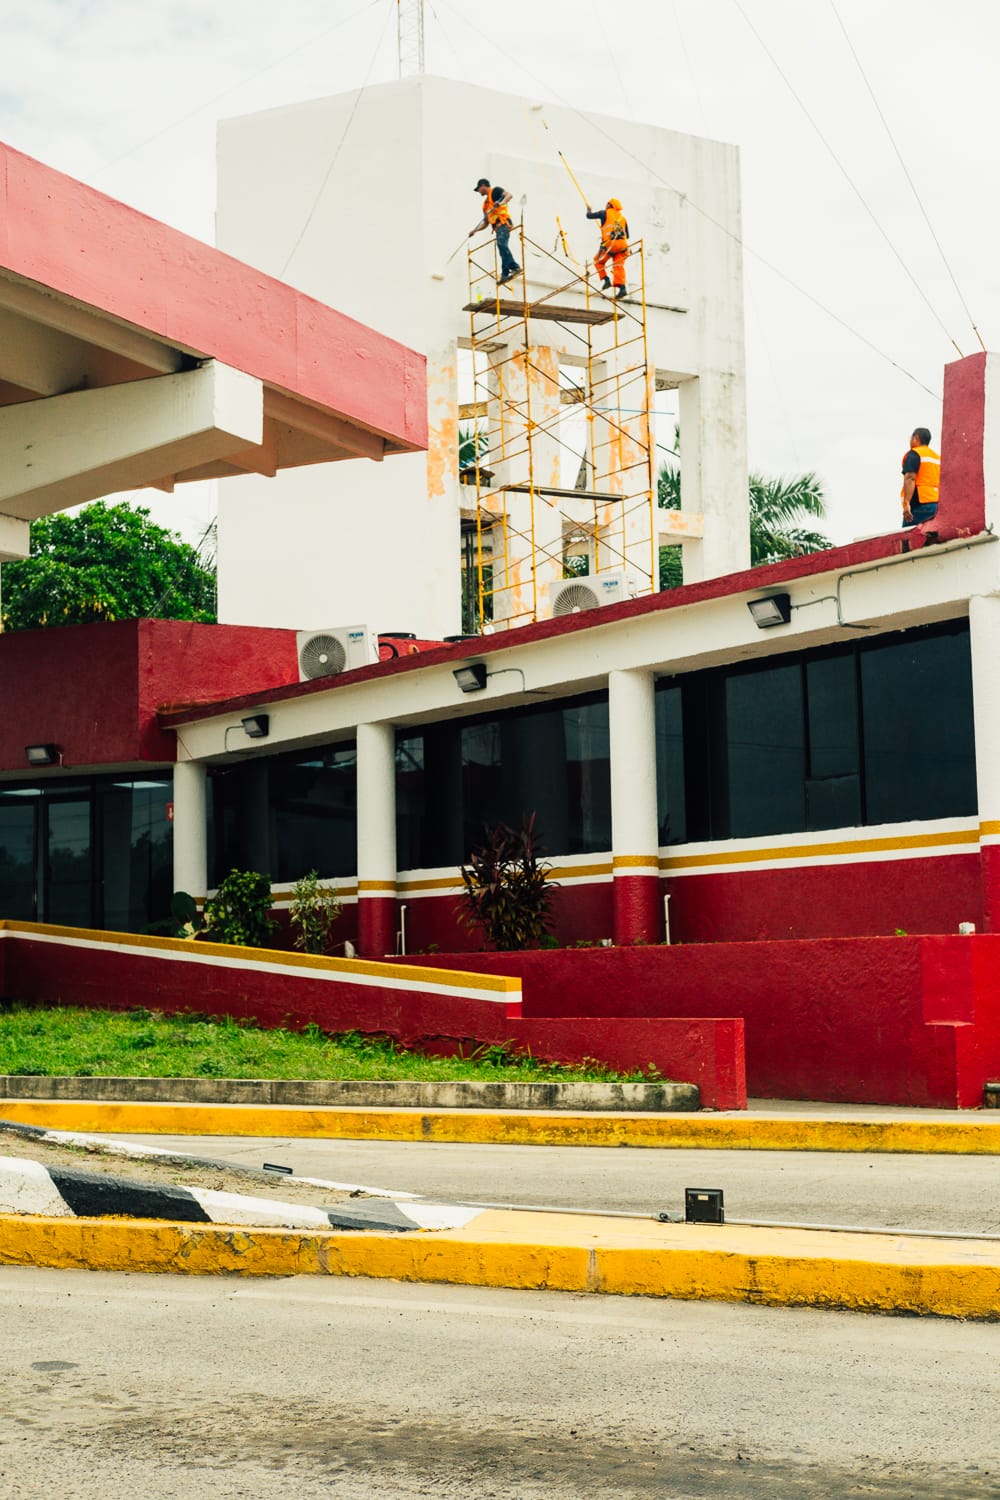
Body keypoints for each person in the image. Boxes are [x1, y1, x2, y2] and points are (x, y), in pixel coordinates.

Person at [469, 178, 520, 285]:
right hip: (497, 228)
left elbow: (509, 195)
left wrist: (501, 203)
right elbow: (485, 223)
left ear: (483, 186)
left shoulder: (495, 191)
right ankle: (505, 273)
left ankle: (514, 267)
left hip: (504, 223)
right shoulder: (485, 205)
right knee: (502, 248)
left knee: (501, 245)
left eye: (479, 189)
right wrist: (475, 230)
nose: (479, 192)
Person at [586, 197, 629, 298]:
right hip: (623, 247)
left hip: (611, 245)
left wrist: (588, 209)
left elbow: (589, 216)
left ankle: (606, 280)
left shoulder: (604, 213)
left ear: (610, 205)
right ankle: (622, 288)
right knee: (618, 266)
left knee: (598, 261)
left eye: (607, 204)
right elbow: (627, 235)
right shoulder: (623, 218)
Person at [900, 427, 941, 528]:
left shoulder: (914, 454)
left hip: (920, 504)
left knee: (908, 534)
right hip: (936, 504)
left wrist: (906, 503)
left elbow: (910, 478)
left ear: (916, 438)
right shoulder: (937, 458)